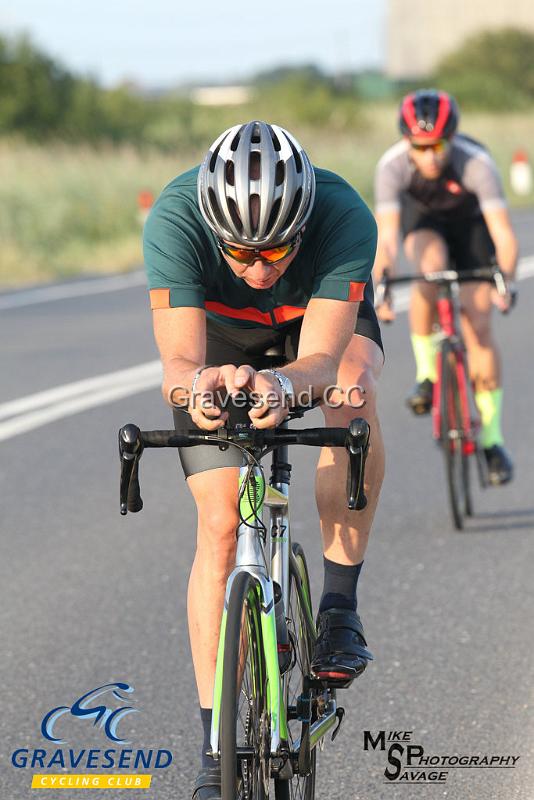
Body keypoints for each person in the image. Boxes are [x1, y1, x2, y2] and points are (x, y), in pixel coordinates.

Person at [143, 120, 384, 799]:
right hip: (222, 340)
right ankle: (214, 746)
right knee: (221, 526)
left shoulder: (343, 216)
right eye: (239, 252)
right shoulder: (175, 217)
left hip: (313, 336)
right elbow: (179, 365)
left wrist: (283, 386)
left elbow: (320, 362)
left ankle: (339, 607)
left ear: (303, 222)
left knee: (352, 391)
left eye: (275, 248)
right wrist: (201, 391)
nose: (257, 268)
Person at [373, 89, 517, 485]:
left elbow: (503, 233)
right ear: (407, 142)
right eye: (421, 147)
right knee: (429, 269)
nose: (431, 156)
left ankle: (492, 440)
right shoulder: (391, 167)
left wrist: (504, 280)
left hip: (471, 229)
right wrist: (380, 286)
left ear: (451, 138)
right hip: (425, 227)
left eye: (438, 145)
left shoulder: (476, 162)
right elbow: (385, 240)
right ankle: (427, 374)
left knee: (480, 324)